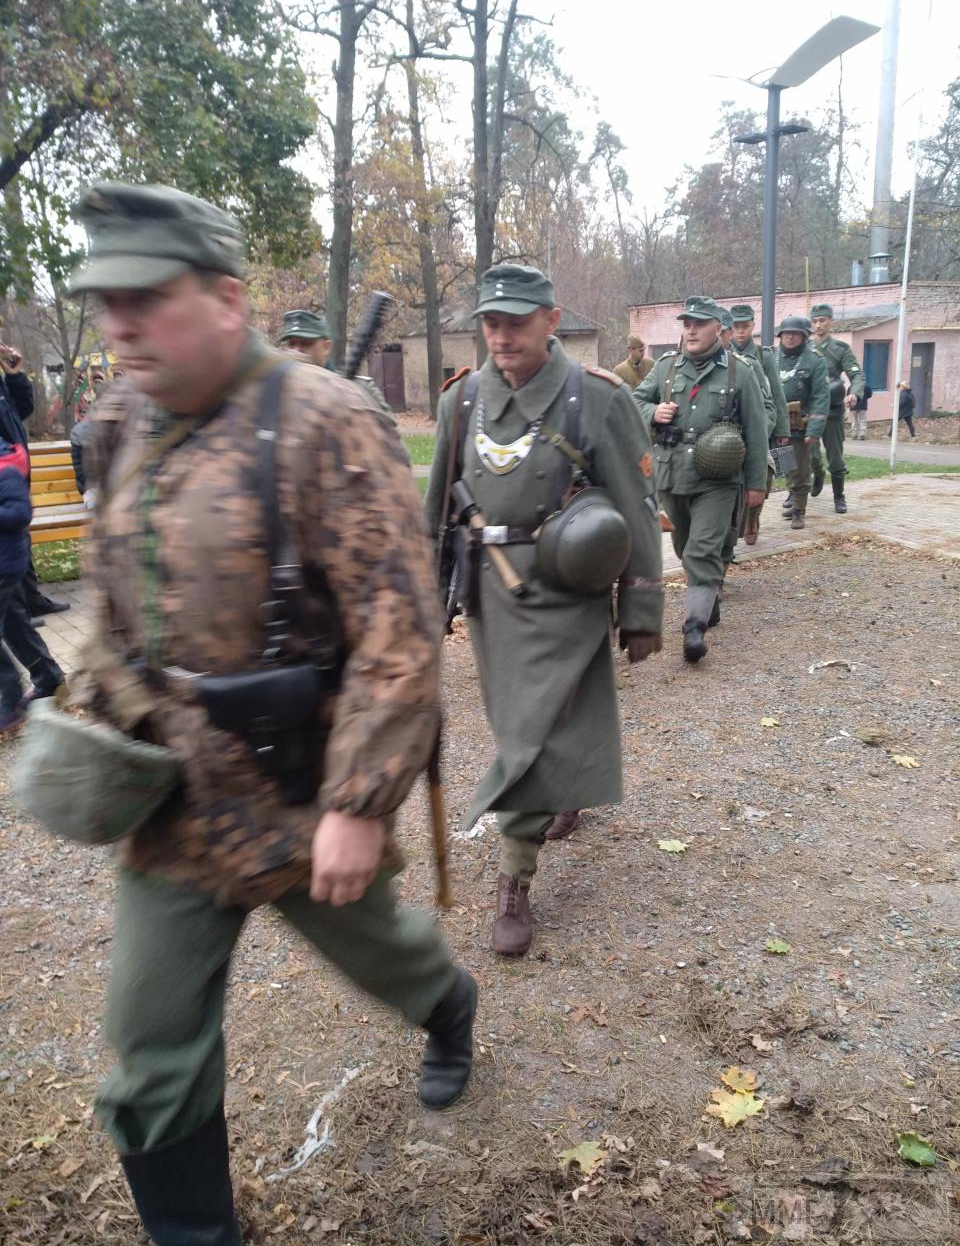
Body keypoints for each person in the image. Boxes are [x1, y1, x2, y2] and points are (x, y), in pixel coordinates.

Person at [66, 181, 476, 1245]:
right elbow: (114, 606)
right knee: (150, 1043)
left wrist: (360, 799)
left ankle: (451, 1006)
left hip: (300, 787)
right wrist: (88, 718)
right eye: (106, 299)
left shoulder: (325, 420)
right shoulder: (117, 422)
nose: (119, 323)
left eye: (146, 296)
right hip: (175, 804)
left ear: (229, 299)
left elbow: (399, 626)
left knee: (386, 955)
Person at [424, 264, 664, 958]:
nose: (501, 335)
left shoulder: (596, 399)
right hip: (492, 595)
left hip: (569, 586)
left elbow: (636, 507)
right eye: (490, 323)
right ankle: (564, 789)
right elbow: (438, 507)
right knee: (522, 722)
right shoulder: (462, 400)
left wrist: (641, 608)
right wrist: (429, 596)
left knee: (526, 737)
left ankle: (513, 878)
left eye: (516, 321)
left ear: (551, 320)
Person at [635, 296, 768, 663]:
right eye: (686, 324)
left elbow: (756, 432)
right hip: (672, 473)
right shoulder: (665, 368)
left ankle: (694, 628)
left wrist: (756, 484)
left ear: (718, 329)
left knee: (702, 550)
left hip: (718, 477)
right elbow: (631, 400)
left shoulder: (740, 372)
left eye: (699, 323)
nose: (690, 330)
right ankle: (708, 601)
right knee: (682, 546)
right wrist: (652, 411)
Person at [0, 339, 71, 618]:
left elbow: (22, 411)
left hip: (14, 472)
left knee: (19, 538)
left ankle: (29, 601)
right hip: (5, 472)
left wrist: (14, 375)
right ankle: (16, 613)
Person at [0, 434, 66, 730]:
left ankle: (11, 698)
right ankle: (49, 678)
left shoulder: (7, 470)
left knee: (14, 623)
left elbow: (21, 513)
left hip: (5, 565)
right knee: (14, 624)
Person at [729, 302, 789, 546]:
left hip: (761, 423)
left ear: (753, 326)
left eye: (745, 326)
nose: (740, 331)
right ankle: (735, 524)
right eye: (736, 327)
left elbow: (776, 393)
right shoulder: (723, 352)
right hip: (732, 427)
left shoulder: (763, 356)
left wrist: (782, 429)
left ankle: (753, 518)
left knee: (765, 472)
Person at [278, 308, 394, 417]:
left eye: (306, 343)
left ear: (326, 347)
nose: (296, 350)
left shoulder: (360, 389)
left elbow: (389, 436)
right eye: (291, 344)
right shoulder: (277, 392)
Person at [809, 303, 864, 514]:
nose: (818, 325)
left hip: (832, 410)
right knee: (810, 455)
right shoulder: (805, 349)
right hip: (810, 411)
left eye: (822, 320)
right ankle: (817, 475)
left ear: (831, 321)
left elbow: (856, 374)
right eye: (814, 321)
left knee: (835, 457)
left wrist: (854, 393)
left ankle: (839, 496)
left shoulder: (840, 349)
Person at [776, 316, 829, 530]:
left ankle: (799, 510)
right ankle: (793, 497)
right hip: (777, 424)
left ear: (804, 336)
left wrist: (815, 430)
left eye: (794, 333)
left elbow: (820, 397)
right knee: (785, 466)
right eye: (785, 333)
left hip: (800, 425)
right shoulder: (770, 357)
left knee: (800, 470)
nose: (789, 337)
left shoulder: (814, 360)